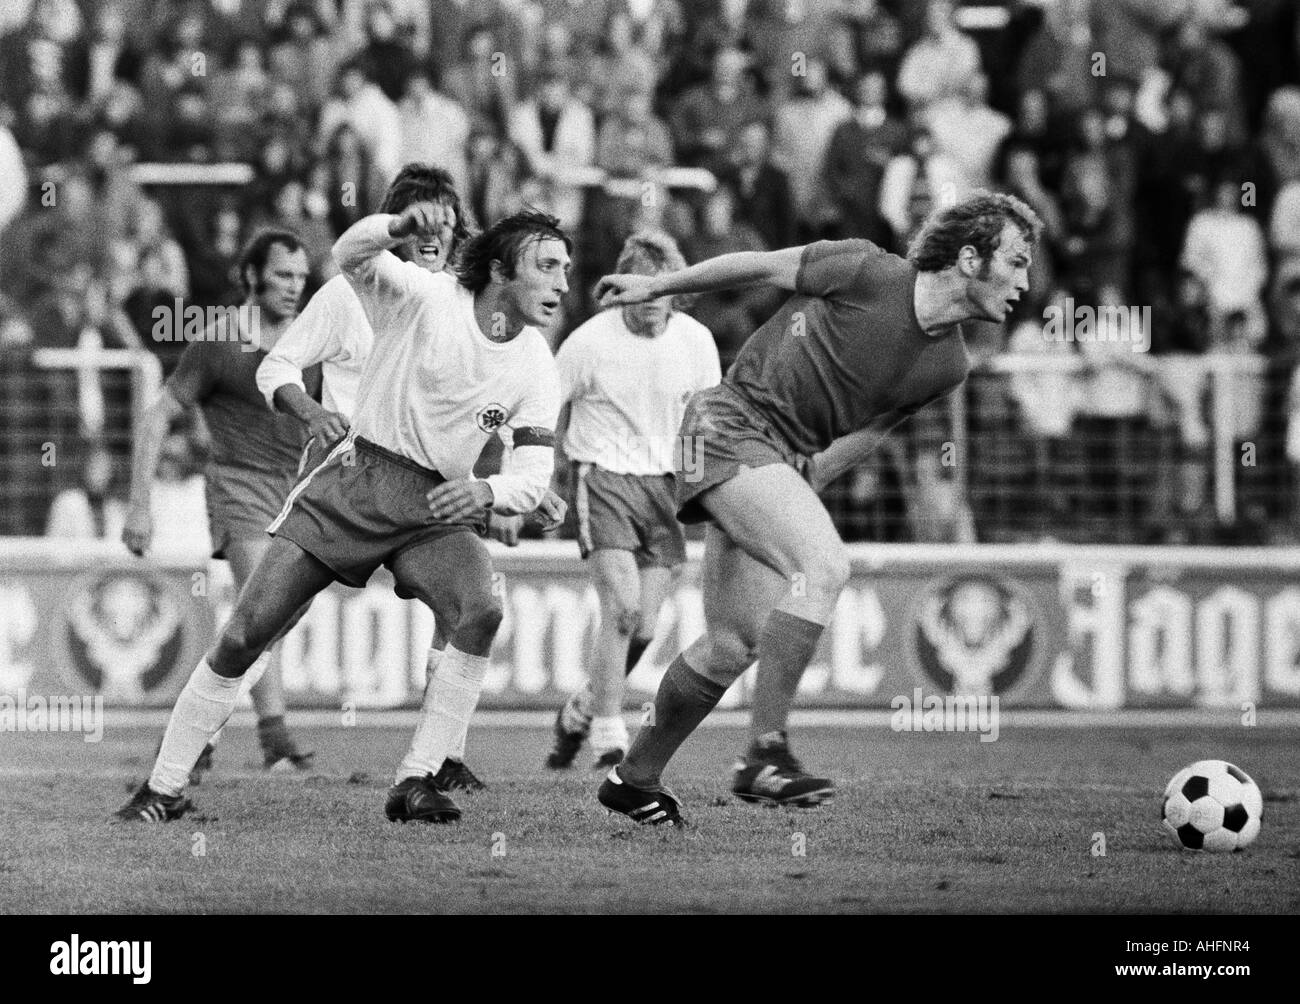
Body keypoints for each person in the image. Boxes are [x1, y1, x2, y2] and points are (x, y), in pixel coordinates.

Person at [592, 192, 1040, 825]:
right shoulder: (868, 269)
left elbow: (875, 428)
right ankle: (764, 753)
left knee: (732, 643)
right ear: (970, 258)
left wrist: (808, 479)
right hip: (722, 422)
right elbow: (756, 265)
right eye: (1017, 261)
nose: (1026, 282)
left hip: (773, 455)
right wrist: (655, 285)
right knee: (824, 567)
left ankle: (632, 778)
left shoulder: (949, 364)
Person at [115, 205, 570, 825]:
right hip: (357, 481)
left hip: (434, 503)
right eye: (547, 267)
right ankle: (163, 787)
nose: (562, 284)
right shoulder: (425, 295)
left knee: (482, 609)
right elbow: (350, 253)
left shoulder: (538, 364)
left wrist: (489, 493)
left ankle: (416, 778)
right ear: (500, 270)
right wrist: (395, 227)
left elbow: (535, 475)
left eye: (565, 269)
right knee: (247, 632)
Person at [255, 162, 561, 792]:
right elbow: (277, 364)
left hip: (436, 488)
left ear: (459, 233)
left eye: (444, 221)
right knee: (265, 619)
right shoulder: (354, 291)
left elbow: (491, 411)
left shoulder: (480, 314)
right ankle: (256, 737)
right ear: (399, 226)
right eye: (419, 220)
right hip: (350, 469)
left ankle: (437, 760)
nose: (432, 234)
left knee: (468, 609)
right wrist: (313, 412)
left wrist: (511, 489)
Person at [121, 229, 318, 778]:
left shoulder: (313, 339)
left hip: (298, 493)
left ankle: (195, 725)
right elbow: (158, 415)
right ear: (252, 276)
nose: (294, 287)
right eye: (282, 275)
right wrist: (140, 505)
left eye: (301, 277)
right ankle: (275, 741)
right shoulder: (220, 341)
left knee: (274, 615)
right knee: (266, 605)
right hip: (240, 489)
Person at [545, 231, 720, 771]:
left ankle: (582, 708)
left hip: (665, 486)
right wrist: (544, 477)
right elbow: (546, 406)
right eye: (639, 297)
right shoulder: (588, 343)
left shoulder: (695, 341)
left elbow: (701, 418)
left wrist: (698, 486)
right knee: (619, 608)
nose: (650, 309)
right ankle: (608, 738)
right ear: (622, 290)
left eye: (659, 295)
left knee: (644, 627)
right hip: (603, 478)